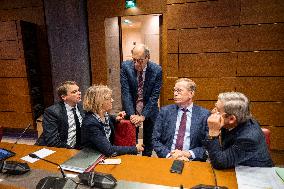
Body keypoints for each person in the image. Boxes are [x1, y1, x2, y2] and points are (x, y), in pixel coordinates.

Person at [204, 92, 274, 169]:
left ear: (231, 119)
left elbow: (219, 163)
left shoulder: (248, 138)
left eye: (217, 110)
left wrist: (213, 132)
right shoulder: (236, 120)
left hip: (255, 173)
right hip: (234, 165)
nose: (212, 111)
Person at [152, 78, 210, 161]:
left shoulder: (204, 115)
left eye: (179, 91)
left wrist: (189, 154)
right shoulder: (165, 112)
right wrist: (169, 155)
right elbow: (155, 139)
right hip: (168, 159)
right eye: (174, 90)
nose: (175, 94)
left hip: (193, 162)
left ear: (191, 93)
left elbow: (208, 145)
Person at [120, 44, 162, 157]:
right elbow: (126, 92)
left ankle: (146, 166)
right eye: (134, 60)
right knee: (131, 141)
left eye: (139, 61)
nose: (136, 64)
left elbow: (154, 96)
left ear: (147, 57)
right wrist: (132, 115)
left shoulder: (157, 70)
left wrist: (143, 116)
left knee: (149, 142)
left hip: (149, 109)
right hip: (131, 108)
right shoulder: (125, 66)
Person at [81, 85, 144, 157]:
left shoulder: (105, 115)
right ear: (99, 102)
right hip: (92, 157)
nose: (112, 100)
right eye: (109, 98)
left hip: (103, 155)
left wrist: (116, 118)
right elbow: (109, 150)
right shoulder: (90, 124)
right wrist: (135, 149)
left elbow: (110, 118)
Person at [36, 81, 84, 149]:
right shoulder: (52, 112)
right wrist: (72, 151)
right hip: (56, 149)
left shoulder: (82, 108)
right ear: (64, 97)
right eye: (74, 92)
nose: (79, 93)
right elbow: (52, 141)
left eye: (78, 90)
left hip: (77, 148)